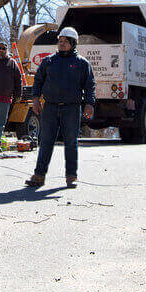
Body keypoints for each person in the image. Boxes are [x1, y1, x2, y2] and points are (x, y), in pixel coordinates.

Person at [25, 27, 95, 188]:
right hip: (50, 107)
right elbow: (38, 81)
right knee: (46, 141)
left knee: (71, 142)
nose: (61, 43)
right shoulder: (49, 61)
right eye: (60, 41)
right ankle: (39, 175)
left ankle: (71, 176)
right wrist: (35, 99)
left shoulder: (82, 63)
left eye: (65, 41)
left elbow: (90, 85)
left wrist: (89, 104)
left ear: (73, 43)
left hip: (71, 108)